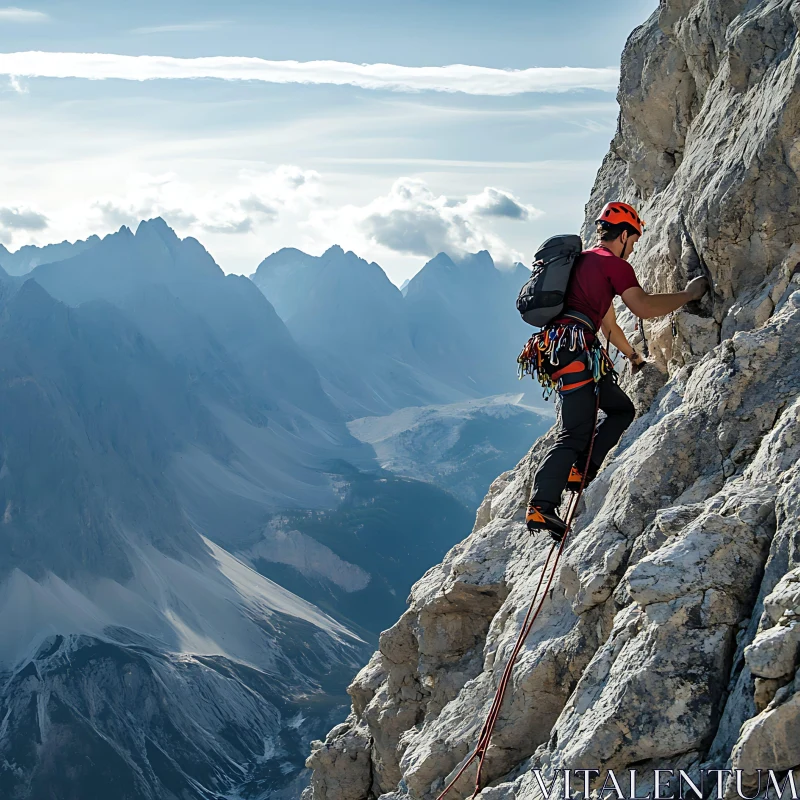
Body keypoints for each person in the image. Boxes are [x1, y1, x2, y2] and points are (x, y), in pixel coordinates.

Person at [523, 201, 709, 541]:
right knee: (574, 432)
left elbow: (608, 324)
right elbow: (643, 306)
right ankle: (541, 504)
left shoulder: (582, 264)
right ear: (624, 235)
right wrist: (688, 294)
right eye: (634, 241)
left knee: (621, 409)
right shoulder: (612, 265)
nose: (634, 247)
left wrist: (633, 356)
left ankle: (581, 471)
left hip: (563, 348)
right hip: (575, 349)